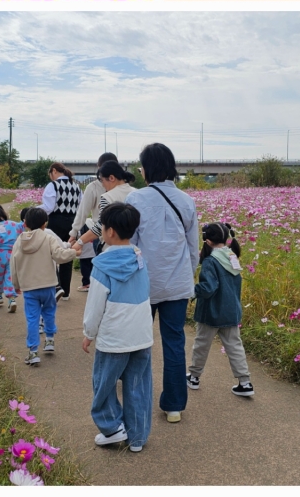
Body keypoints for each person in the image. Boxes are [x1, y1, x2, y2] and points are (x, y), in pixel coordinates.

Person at [124, 143, 199, 423]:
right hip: (177, 284)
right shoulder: (186, 200)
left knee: (139, 342)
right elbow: (193, 248)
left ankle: (137, 399)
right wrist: (186, 278)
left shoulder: (136, 200)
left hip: (144, 283)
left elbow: (129, 246)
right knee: (174, 343)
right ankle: (174, 405)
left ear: (147, 169)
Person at [76, 202, 152, 453]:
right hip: (141, 334)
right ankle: (137, 436)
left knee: (104, 382)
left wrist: (89, 333)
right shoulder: (139, 258)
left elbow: (95, 306)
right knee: (138, 385)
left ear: (108, 232)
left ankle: (111, 427)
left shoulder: (102, 265)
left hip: (115, 337)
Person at [186, 223, 254, 397]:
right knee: (235, 346)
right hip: (231, 311)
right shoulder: (231, 256)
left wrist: (193, 291)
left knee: (202, 344)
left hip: (211, 312)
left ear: (207, 241)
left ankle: (194, 377)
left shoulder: (210, 261)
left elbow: (208, 288)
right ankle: (245, 382)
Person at [10, 208, 78, 366]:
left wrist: (16, 284)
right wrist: (74, 252)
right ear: (45, 223)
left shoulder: (19, 241)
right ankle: (49, 340)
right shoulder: (48, 238)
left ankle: (33, 352)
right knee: (49, 312)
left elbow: (13, 264)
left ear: (25, 223)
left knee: (32, 318)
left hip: (29, 288)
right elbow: (60, 256)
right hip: (48, 285)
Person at [69, 151, 119, 292]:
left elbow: (82, 212)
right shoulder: (125, 186)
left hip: (101, 236)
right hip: (123, 237)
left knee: (104, 271)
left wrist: (74, 234)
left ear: (99, 167)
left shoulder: (94, 187)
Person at [40, 162, 82, 301]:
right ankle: (66, 292)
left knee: (50, 255)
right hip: (72, 223)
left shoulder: (53, 185)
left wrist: (34, 209)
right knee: (67, 256)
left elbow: (49, 207)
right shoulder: (76, 186)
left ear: (54, 171)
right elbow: (81, 206)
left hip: (56, 222)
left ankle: (57, 287)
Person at [77, 161, 137, 256]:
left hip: (111, 251)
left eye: (102, 180)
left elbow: (101, 226)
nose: (102, 185)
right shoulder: (136, 193)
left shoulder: (107, 197)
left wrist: (79, 242)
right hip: (134, 249)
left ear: (112, 178)